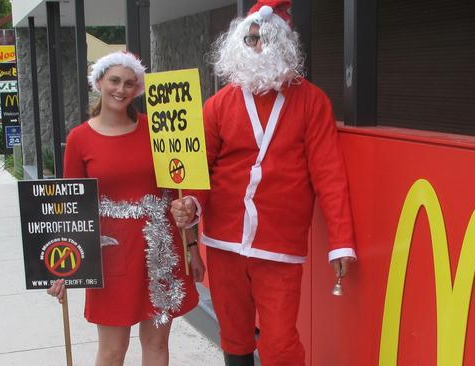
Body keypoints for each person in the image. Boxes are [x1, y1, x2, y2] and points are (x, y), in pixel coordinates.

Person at [171, 1, 356, 365]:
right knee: (234, 332)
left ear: (285, 44)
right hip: (224, 238)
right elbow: (199, 169)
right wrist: (191, 202)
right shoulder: (219, 104)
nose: (258, 46)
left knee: (281, 342)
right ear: (240, 43)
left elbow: (329, 175)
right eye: (252, 38)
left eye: (267, 39)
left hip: (279, 243)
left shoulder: (312, 102)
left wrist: (341, 241)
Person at [47, 51, 205, 366]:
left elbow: (179, 186)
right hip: (110, 253)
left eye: (129, 84)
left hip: (162, 248)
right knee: (112, 350)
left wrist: (191, 247)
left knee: (157, 344)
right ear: (100, 82)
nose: (121, 89)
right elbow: (71, 205)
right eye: (115, 81)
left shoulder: (159, 129)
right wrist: (62, 265)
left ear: (137, 90)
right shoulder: (79, 139)